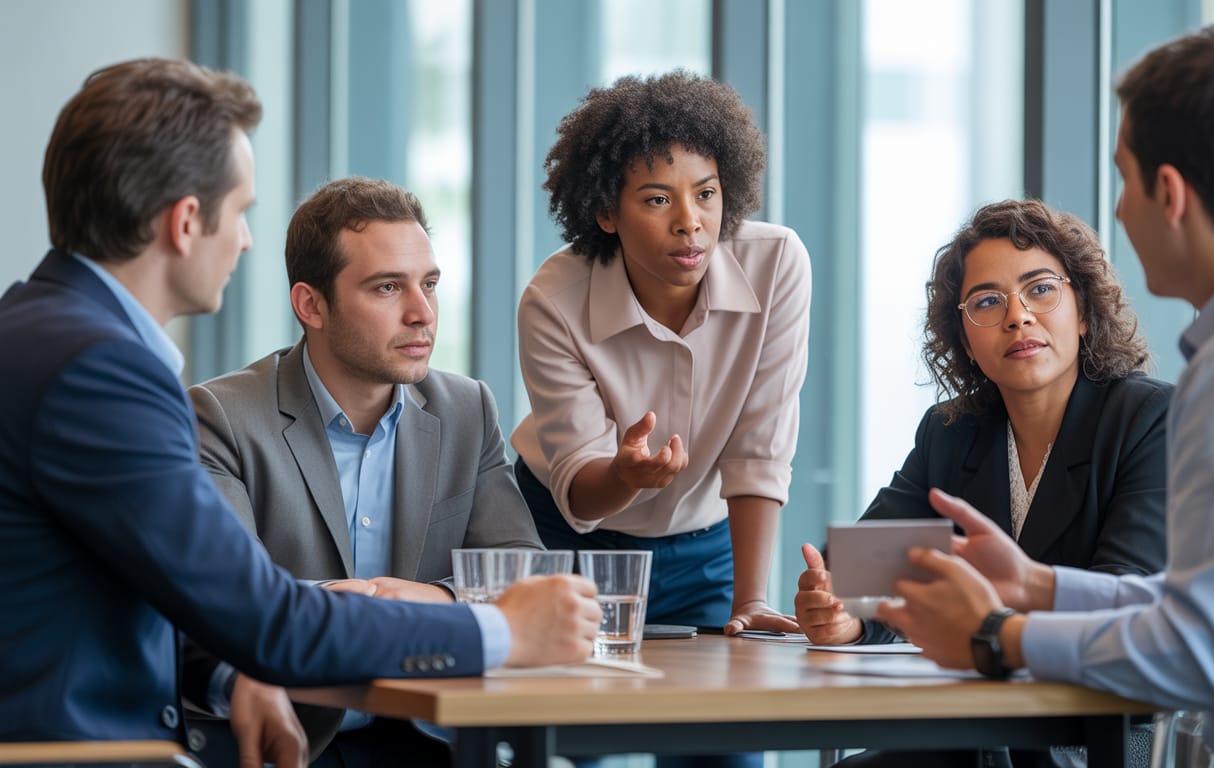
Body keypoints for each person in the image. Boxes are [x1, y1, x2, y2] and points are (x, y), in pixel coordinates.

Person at [0, 57, 600, 767]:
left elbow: (176, 602)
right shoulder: (100, 373)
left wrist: (238, 670)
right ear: (187, 222)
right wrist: (500, 633)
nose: (247, 240)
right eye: (243, 211)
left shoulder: (37, 329)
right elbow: (268, 621)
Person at [879, 26, 1214, 768]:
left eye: (1123, 179)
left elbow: (1203, 652)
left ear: (1170, 193)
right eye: (988, 302)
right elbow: (1213, 602)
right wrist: (1035, 586)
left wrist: (997, 635)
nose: (1119, 213)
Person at [795, 199, 1170, 768]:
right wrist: (846, 616)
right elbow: (862, 564)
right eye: (988, 302)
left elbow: (1122, 594)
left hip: (1087, 737)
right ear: (967, 341)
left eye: (1041, 289)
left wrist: (981, 621)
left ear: (1085, 310)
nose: (1018, 316)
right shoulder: (952, 432)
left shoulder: (1148, 419)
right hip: (968, 729)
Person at [185, 177, 544, 766]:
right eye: (387, 288)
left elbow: (522, 575)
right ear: (311, 305)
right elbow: (226, 608)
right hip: (285, 738)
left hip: (430, 736)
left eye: (429, 284)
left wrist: (428, 597)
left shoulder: (466, 409)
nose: (422, 313)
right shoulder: (221, 416)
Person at [510, 71, 810, 637]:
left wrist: (752, 599)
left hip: (706, 544)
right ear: (607, 213)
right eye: (656, 199)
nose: (689, 222)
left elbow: (760, 443)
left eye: (706, 193)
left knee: (713, 708)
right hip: (569, 536)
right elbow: (577, 478)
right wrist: (626, 474)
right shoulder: (553, 300)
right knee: (578, 709)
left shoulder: (777, 264)